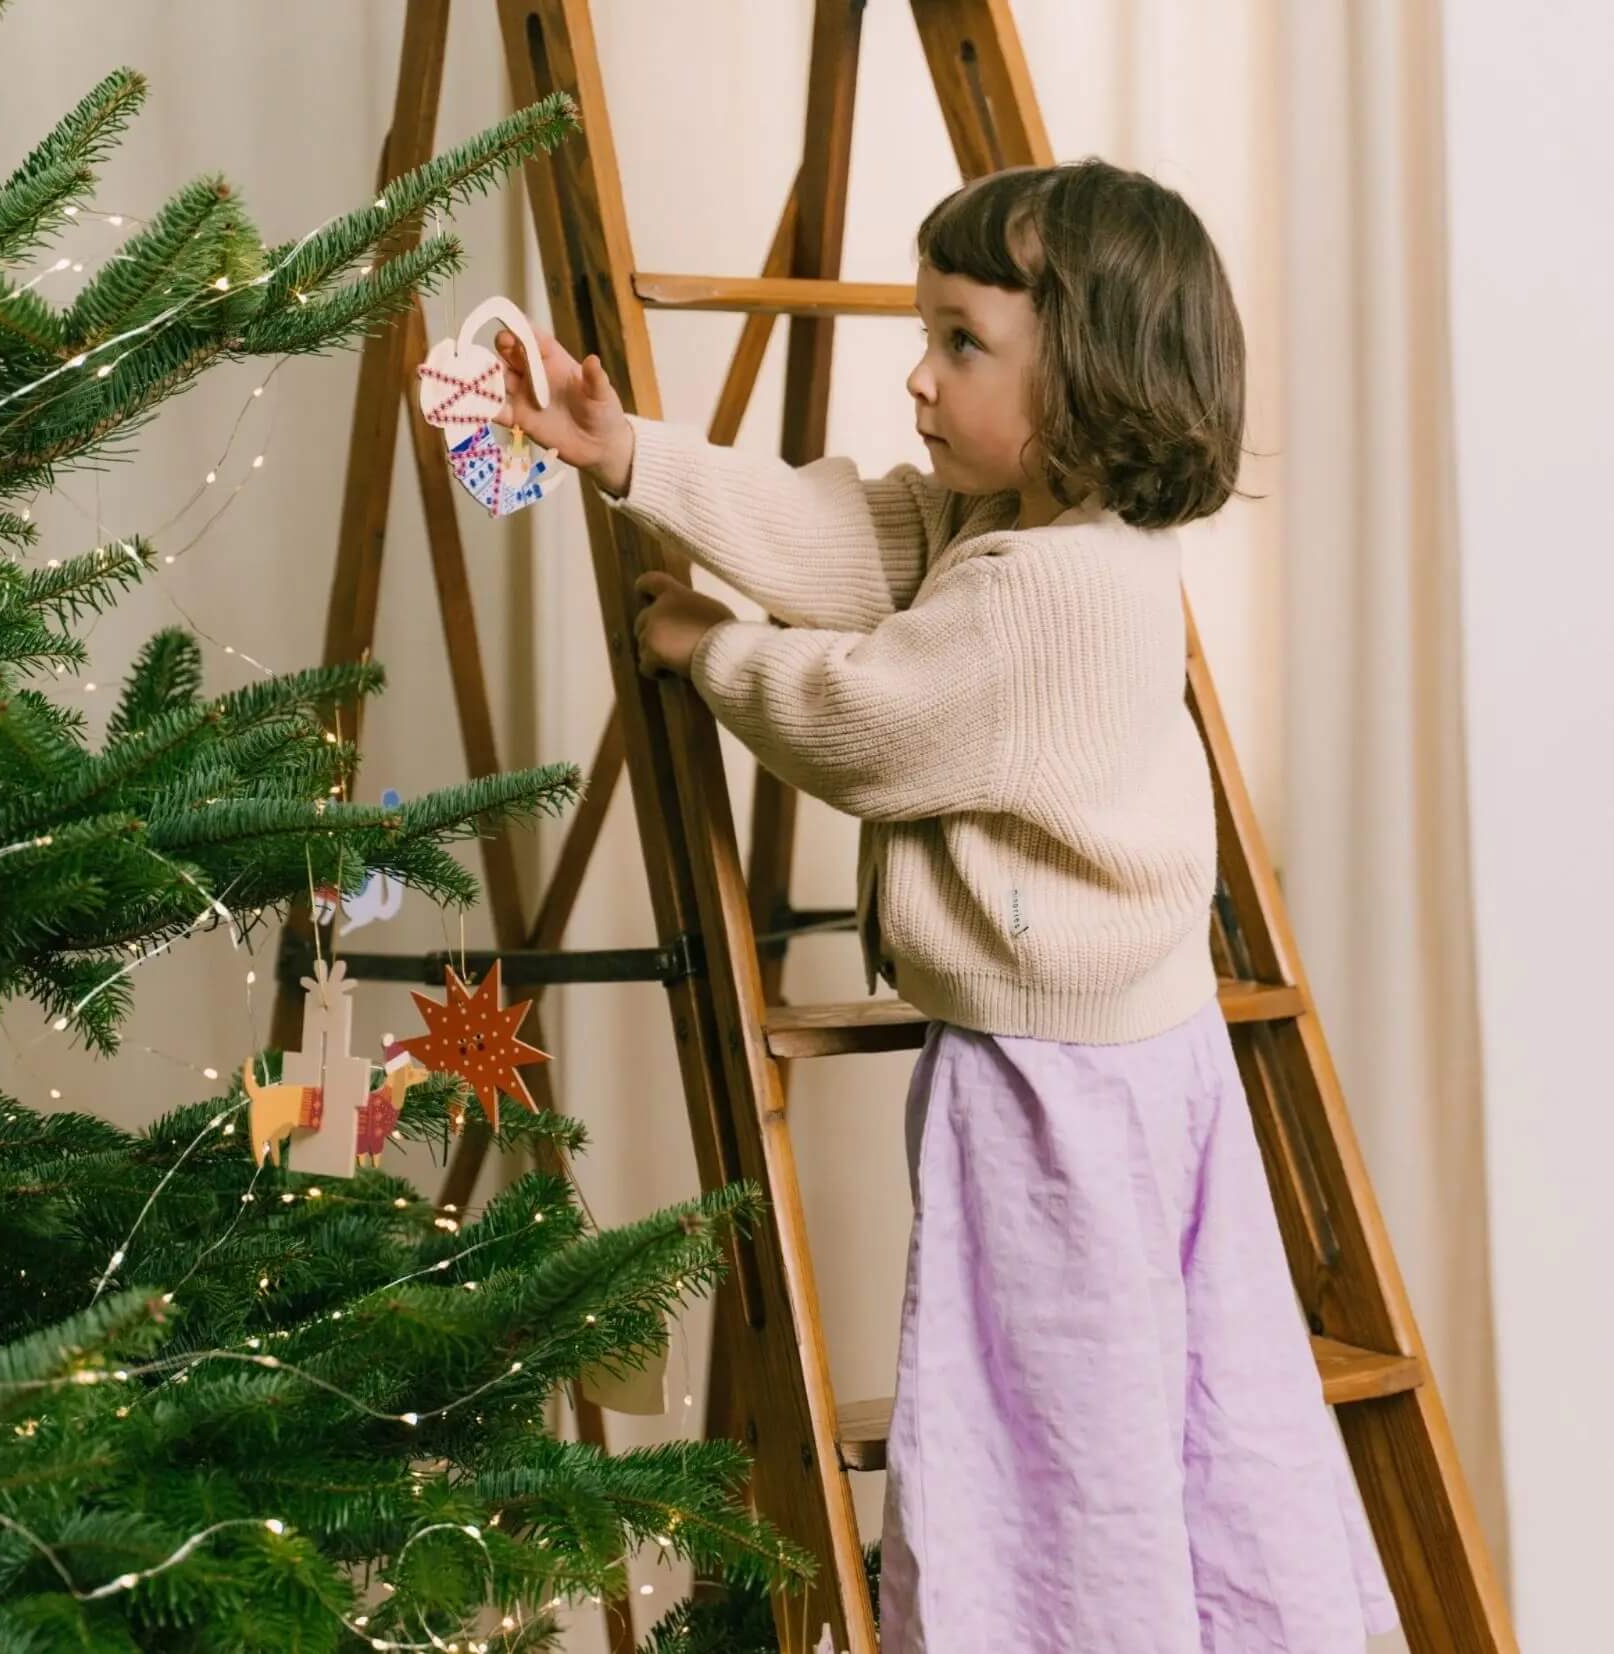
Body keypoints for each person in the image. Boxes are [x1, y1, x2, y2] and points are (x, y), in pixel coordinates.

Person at [492, 158, 1400, 1653]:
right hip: (1138, 1055)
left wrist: (709, 651)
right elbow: (842, 537)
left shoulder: (1042, 588)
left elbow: (869, 720)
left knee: (1048, 1411)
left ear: (1088, 373)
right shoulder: (1030, 528)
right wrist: (630, 454)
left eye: (961, 341)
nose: (918, 374)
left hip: (1055, 1081)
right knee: (1173, 1394)